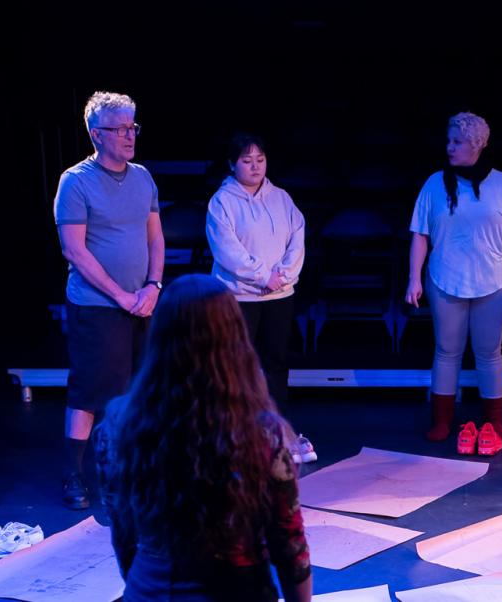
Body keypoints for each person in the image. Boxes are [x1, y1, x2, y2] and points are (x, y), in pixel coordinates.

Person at [98, 274, 311, 602]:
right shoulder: (261, 431)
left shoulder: (119, 423)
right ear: (234, 338)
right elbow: (289, 544)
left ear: (161, 337)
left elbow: (123, 533)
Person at [53, 91, 164, 509]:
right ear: (97, 135)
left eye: (133, 126)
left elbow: (155, 236)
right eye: (120, 129)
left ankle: (126, 471)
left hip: (141, 303)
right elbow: (74, 250)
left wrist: (153, 286)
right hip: (97, 306)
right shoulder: (76, 181)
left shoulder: (143, 177)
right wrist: (120, 295)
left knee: (136, 391)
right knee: (91, 390)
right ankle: (73, 473)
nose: (129, 135)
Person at [406, 111, 502, 452]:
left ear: (477, 145)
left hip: (494, 280)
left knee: (490, 352)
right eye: (449, 140)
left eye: (457, 141)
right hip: (445, 278)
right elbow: (420, 234)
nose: (450, 147)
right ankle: (442, 420)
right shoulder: (435, 184)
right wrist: (413, 278)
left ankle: (495, 421)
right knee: (447, 351)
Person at [206, 132, 315, 463]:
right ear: (231, 164)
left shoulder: (281, 197)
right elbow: (228, 251)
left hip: (278, 297)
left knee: (275, 365)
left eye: (260, 160)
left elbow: (298, 235)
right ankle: (236, 436)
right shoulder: (222, 202)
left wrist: (283, 275)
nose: (254, 167)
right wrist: (262, 275)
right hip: (239, 298)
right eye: (246, 160)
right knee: (237, 368)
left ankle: (278, 434)